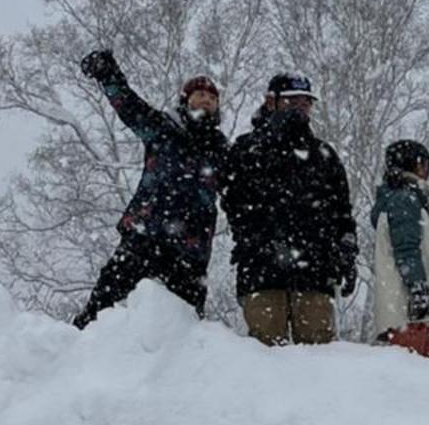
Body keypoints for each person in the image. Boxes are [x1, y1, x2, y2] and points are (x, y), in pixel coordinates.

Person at [74, 50, 229, 328]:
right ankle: (72, 348)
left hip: (191, 247)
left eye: (212, 97)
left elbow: (246, 188)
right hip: (147, 232)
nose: (206, 99)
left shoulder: (222, 150)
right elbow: (130, 106)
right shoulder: (164, 129)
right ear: (186, 100)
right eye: (199, 94)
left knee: (186, 326)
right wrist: (108, 75)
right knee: (103, 303)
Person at [221, 73, 357, 346]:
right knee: (265, 358)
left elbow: (342, 213)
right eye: (292, 101)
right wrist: (261, 239)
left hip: (314, 273)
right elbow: (233, 203)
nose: (300, 108)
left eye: (306, 103)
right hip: (262, 272)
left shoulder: (323, 155)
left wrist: (347, 253)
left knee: (320, 356)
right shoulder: (247, 149)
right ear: (271, 102)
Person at [370, 139, 429, 357]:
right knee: (417, 373)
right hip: (411, 313)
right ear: (418, 166)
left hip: (403, 312)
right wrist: (418, 289)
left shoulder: (397, 198)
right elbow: (407, 249)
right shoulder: (404, 199)